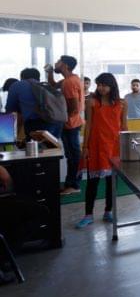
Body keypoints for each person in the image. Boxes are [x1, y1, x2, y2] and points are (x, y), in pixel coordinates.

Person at [75, 73, 127, 229]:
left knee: (112, 182)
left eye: (104, 85)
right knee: (92, 183)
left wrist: (127, 147)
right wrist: (85, 147)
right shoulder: (91, 102)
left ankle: (108, 211)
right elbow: (88, 125)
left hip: (114, 146)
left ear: (112, 86)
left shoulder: (122, 103)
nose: (101, 88)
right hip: (96, 146)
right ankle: (88, 215)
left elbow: (124, 127)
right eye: (98, 85)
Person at [46, 55, 85, 195]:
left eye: (58, 62)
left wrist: (61, 116)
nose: (56, 63)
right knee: (72, 155)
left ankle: (74, 185)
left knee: (74, 155)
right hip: (71, 123)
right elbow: (53, 85)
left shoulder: (69, 82)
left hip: (71, 124)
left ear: (65, 66)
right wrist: (50, 72)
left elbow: (74, 107)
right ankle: (71, 183)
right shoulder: (69, 80)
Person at [5, 68, 63, 140]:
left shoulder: (17, 85)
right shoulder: (45, 86)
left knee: (34, 149)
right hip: (57, 122)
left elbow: (10, 109)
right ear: (38, 77)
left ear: (22, 77)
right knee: (52, 149)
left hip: (36, 123)